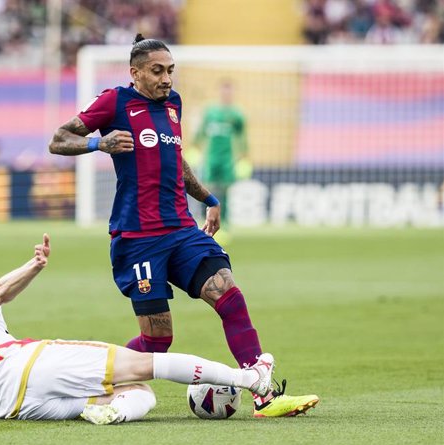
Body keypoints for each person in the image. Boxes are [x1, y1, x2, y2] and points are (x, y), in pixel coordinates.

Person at [48, 34, 319, 417]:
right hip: (138, 239)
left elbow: (175, 159)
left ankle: (264, 393)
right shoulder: (114, 101)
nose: (166, 79)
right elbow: (58, 140)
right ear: (136, 72)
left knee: (229, 295)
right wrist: (98, 145)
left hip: (181, 230)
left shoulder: (173, 104)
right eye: (157, 71)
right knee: (158, 340)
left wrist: (208, 198)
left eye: (170, 71)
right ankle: (90, 385)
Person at [0, 233, 276, 424]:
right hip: (30, 365)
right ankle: (251, 378)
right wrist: (33, 265)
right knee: (149, 365)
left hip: (16, 410)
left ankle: (110, 412)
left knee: (139, 395)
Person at [194, 79, 250, 229]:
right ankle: (205, 221)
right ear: (219, 92)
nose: (226, 93)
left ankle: (223, 223)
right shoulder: (210, 111)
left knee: (225, 190)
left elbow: (243, 136)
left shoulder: (237, 114)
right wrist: (195, 148)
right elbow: (200, 132)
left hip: (228, 158)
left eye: (229, 90)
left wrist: (244, 157)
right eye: (224, 90)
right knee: (206, 188)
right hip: (211, 158)